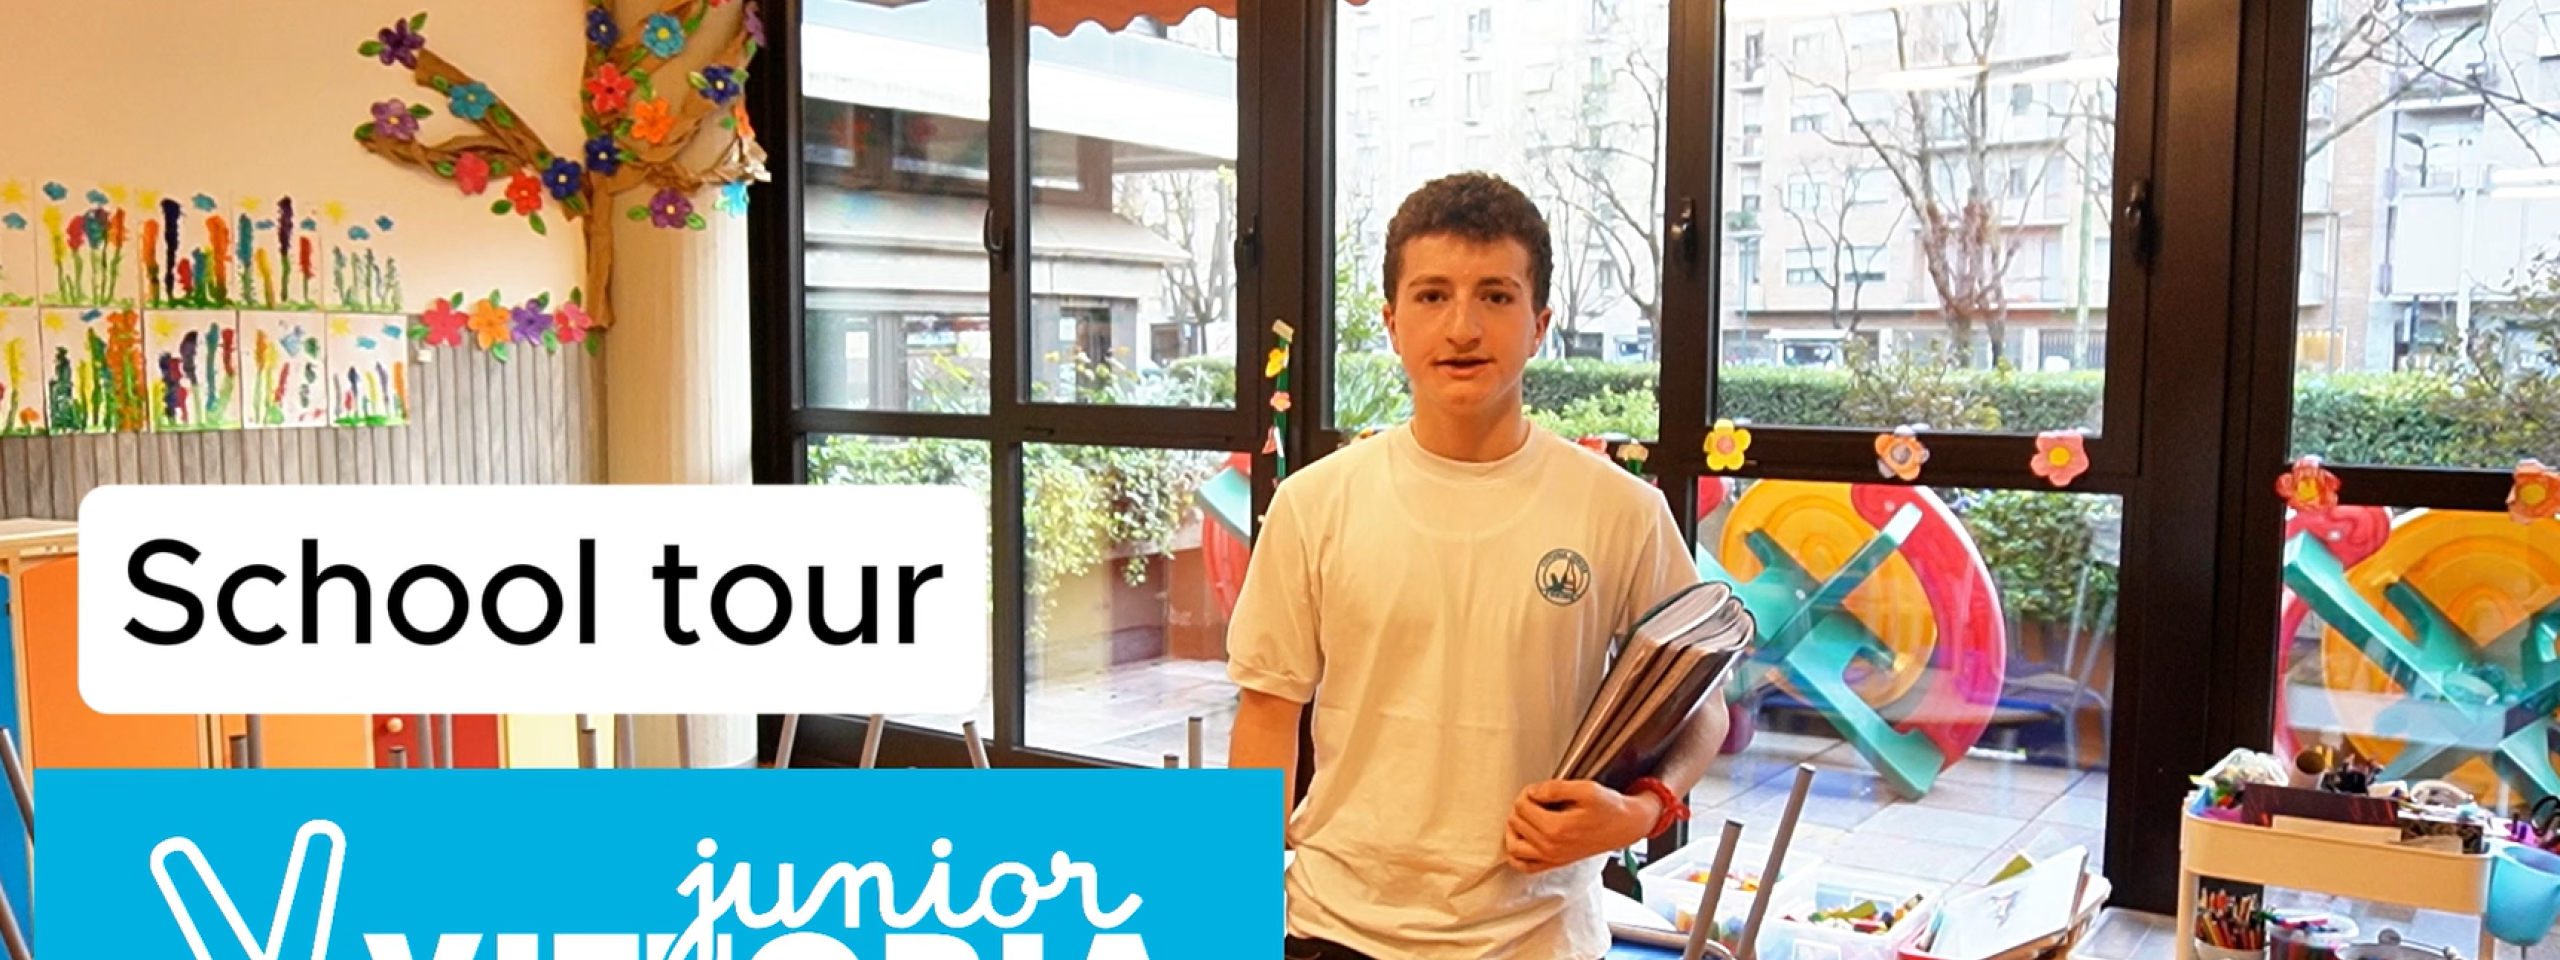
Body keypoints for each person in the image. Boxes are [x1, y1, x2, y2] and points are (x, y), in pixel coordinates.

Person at [1226, 171, 1731, 960]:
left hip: (1540, 937)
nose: (1461, 327)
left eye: (1496, 296)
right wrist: (1237, 911)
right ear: (1393, 324)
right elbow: (1266, 714)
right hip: (1335, 928)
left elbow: (1704, 704)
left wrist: (1641, 811)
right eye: (1432, 296)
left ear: (1539, 325)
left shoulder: (1621, 510)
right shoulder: (1314, 503)